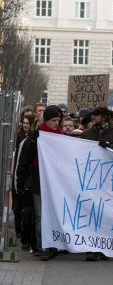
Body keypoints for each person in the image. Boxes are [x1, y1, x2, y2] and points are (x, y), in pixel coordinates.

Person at [16, 106, 65, 261]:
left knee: (54, 214)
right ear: (47, 120)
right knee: (40, 215)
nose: (56, 123)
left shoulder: (61, 136)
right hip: (39, 179)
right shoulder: (36, 136)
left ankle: (53, 245)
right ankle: (42, 246)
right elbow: (25, 160)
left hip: (56, 182)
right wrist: (21, 180)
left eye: (58, 120)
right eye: (54, 120)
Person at [81, 106, 113, 261]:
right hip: (90, 180)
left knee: (103, 214)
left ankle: (102, 247)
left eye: (97, 115)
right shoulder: (87, 134)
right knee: (90, 213)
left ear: (105, 117)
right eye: (93, 115)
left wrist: (110, 147)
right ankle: (90, 248)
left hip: (107, 181)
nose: (94, 118)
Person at [12, 114, 34, 252]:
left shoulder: (31, 139)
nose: (25, 125)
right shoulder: (19, 138)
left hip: (28, 180)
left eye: (27, 123)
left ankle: (26, 236)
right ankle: (19, 230)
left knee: (27, 210)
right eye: (23, 122)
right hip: (21, 178)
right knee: (17, 208)